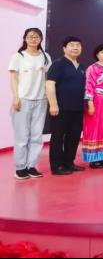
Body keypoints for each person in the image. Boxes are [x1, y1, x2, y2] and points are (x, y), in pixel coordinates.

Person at [8, 28, 52, 180]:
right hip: (23, 100)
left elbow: (48, 78)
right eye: (30, 37)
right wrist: (16, 97)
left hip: (41, 100)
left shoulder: (45, 56)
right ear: (25, 38)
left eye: (37, 37)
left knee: (37, 136)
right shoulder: (18, 56)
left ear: (41, 39)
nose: (33, 39)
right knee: (22, 136)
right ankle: (20, 168)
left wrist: (49, 99)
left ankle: (31, 166)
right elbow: (13, 78)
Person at [46, 37, 86, 176]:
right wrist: (53, 104)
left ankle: (69, 162)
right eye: (71, 45)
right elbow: (50, 84)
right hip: (60, 108)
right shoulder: (58, 64)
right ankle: (57, 166)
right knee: (58, 137)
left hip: (78, 108)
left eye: (78, 45)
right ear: (64, 48)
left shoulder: (81, 67)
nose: (75, 47)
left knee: (74, 137)